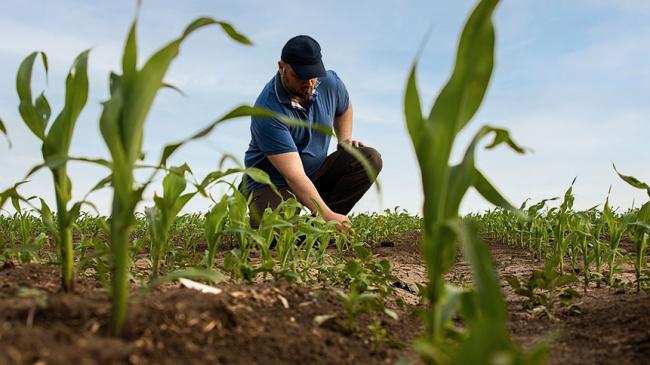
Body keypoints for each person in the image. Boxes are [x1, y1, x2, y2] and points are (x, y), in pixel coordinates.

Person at [243, 35, 382, 229]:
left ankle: (319, 227)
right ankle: (319, 224)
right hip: (275, 183)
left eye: (313, 75)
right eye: (300, 76)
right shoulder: (267, 111)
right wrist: (325, 215)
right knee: (272, 233)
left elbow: (344, 108)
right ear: (282, 66)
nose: (309, 83)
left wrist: (344, 140)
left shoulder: (329, 82)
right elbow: (294, 175)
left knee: (368, 158)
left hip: (316, 172)